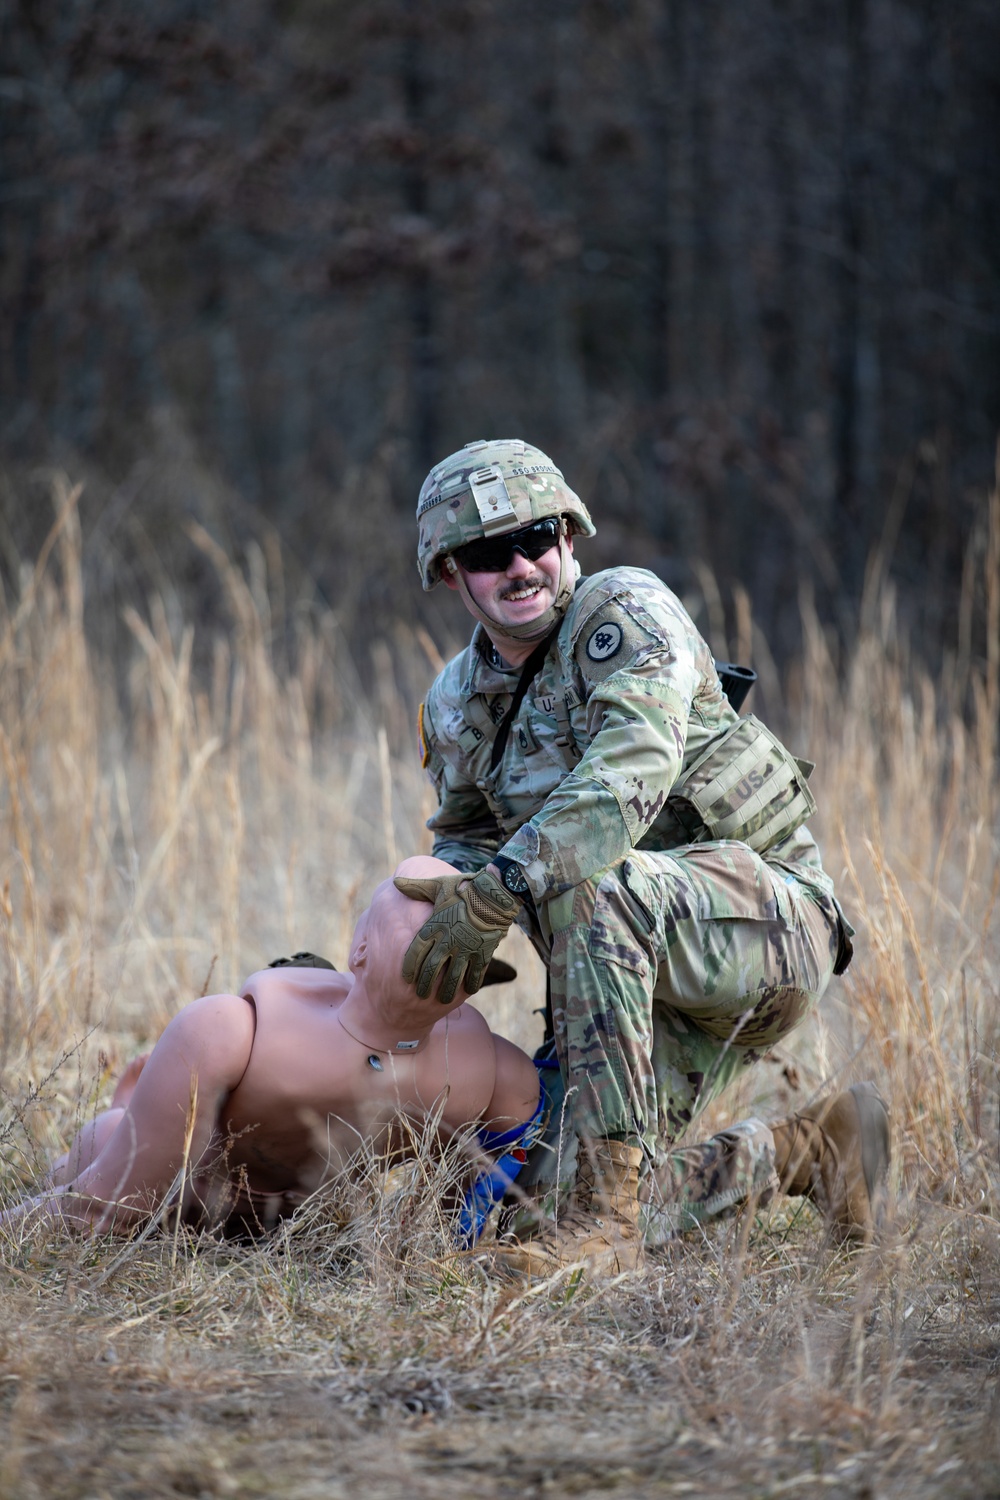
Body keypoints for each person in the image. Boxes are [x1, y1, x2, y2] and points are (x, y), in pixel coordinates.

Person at [398, 438, 890, 1277]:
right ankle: (812, 1150)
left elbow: (631, 771)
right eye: (488, 553)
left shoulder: (626, 613)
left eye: (539, 538)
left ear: (572, 539)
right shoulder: (454, 702)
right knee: (525, 1214)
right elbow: (464, 841)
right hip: (619, 988)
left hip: (761, 931)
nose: (521, 566)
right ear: (452, 574)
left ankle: (608, 1230)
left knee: (597, 881)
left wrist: (500, 893)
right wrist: (407, 939)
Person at [0, 857, 544, 1241]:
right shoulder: (232, 1031)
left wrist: (456, 1244)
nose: (448, 930)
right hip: (175, 1197)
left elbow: (470, 1208)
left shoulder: (486, 1071)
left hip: (293, 1222)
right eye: (425, 911)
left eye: (463, 922)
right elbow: (107, 1207)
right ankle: (76, 1145)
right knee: (101, 1140)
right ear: (359, 951)